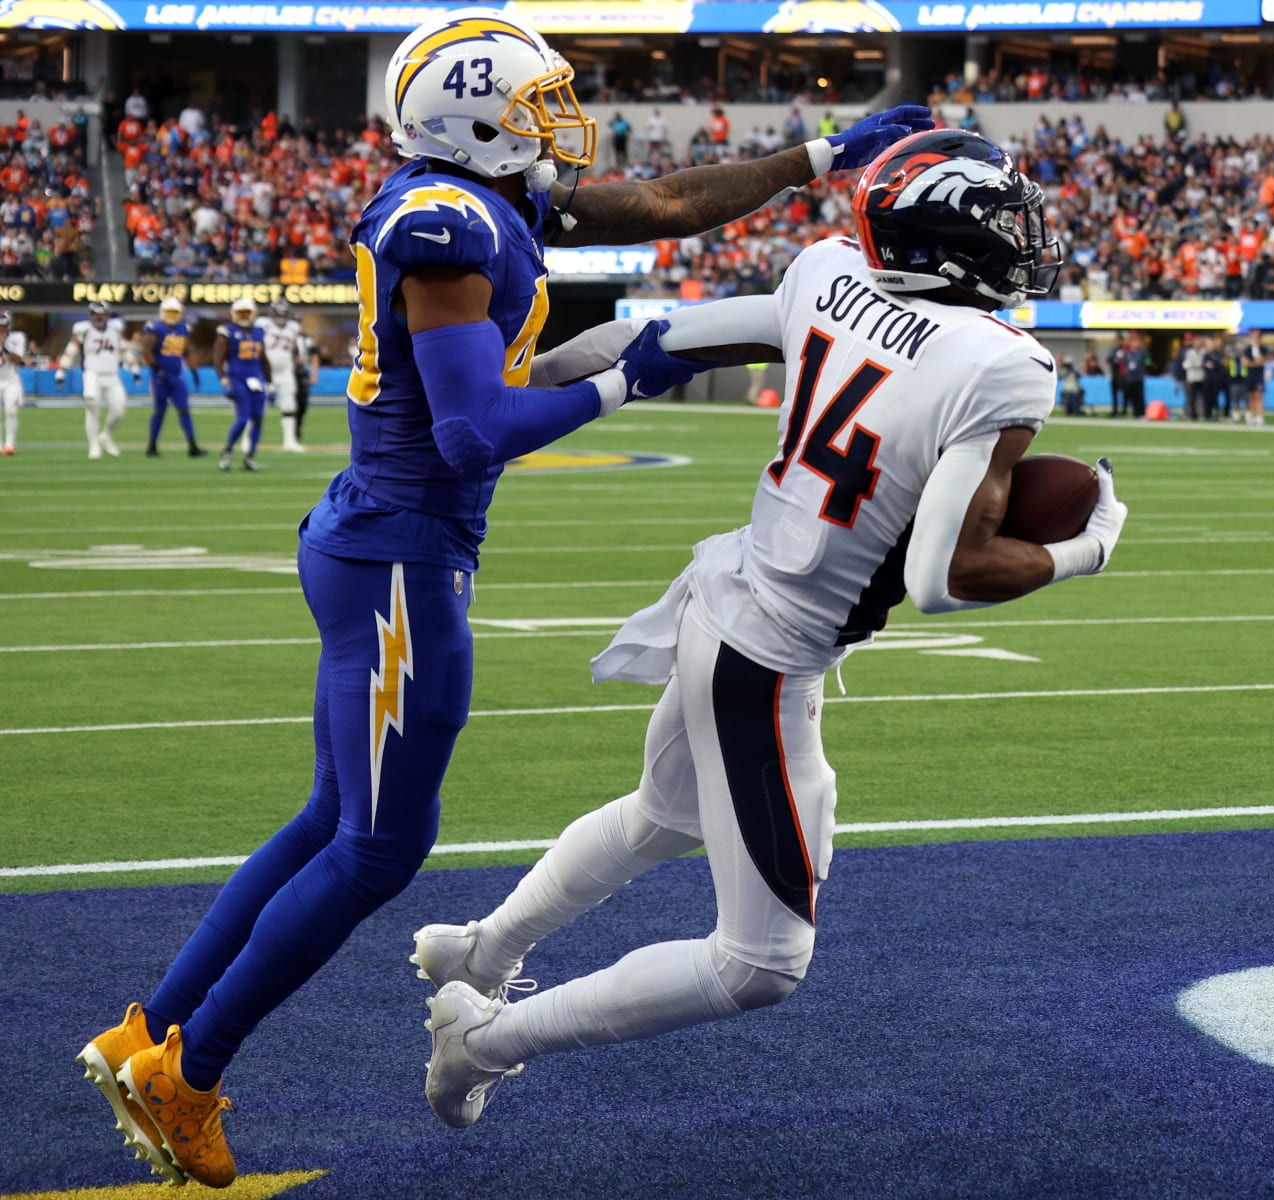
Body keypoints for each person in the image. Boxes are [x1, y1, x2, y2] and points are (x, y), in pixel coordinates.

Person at [79, 9, 932, 1188]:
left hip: (377, 540)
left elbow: (665, 204)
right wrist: (626, 379)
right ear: (471, 119)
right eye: (534, 106)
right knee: (379, 848)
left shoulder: (477, 199)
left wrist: (816, 160)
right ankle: (189, 1075)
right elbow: (474, 430)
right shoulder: (453, 224)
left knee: (331, 820)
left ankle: (150, 1031)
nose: (557, 126)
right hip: (401, 557)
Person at [408, 129, 1127, 1129]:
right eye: (1005, 224)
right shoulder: (1001, 364)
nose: (1023, 241)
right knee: (759, 963)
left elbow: (663, 337)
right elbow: (942, 577)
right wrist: (1089, 547)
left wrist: (511, 404)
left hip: (726, 598)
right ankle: (482, 1042)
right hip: (768, 656)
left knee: (661, 818)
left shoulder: (827, 272)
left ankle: (479, 952)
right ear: (952, 240)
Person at [58, 299, 135, 459]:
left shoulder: (115, 329)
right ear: (91, 315)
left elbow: (125, 349)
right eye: (95, 314)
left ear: (107, 315)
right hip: (92, 374)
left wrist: (134, 368)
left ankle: (105, 435)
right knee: (92, 409)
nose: (98, 317)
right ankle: (93, 445)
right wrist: (61, 371)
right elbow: (71, 350)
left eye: (101, 314)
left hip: (112, 375)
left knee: (119, 409)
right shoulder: (84, 330)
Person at [140, 297, 202, 458]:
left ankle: (192, 445)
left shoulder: (183, 328)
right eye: (169, 313)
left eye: (175, 313)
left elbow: (186, 351)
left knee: (184, 409)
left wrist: (194, 371)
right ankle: (152, 446)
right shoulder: (156, 328)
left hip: (176, 375)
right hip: (159, 376)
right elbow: (146, 351)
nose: (172, 316)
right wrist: (157, 368)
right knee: (160, 410)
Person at [215, 298, 269, 472]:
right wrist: (223, 378)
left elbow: (263, 358)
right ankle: (227, 451)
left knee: (258, 418)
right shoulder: (227, 331)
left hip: (257, 378)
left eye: (247, 313)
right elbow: (218, 358)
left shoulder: (259, 332)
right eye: (241, 313)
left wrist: (270, 382)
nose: (244, 316)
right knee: (244, 417)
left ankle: (250, 457)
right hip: (237, 378)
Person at [254, 299, 306, 452]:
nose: (281, 316)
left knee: (290, 405)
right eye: (278, 313)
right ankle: (250, 440)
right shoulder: (262, 324)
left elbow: (296, 348)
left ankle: (290, 441)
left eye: (284, 313)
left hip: (285, 371)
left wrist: (300, 363)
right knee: (258, 407)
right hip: (264, 371)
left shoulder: (293, 327)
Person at [0, 311, 23, 455]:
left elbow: (18, 360)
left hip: (10, 379)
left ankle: (9, 444)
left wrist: (4, 346)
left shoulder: (17, 338)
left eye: (4, 325)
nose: (1, 328)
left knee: (11, 411)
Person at [1244, 328, 1268, 427]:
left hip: (1259, 376)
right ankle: (1254, 416)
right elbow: (1245, 362)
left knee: (1259, 396)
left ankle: (1259, 417)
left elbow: (1261, 361)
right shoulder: (1247, 349)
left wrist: (1252, 363)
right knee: (1252, 396)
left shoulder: (1263, 349)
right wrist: (1254, 363)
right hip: (1250, 376)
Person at [1180, 332, 1206, 420]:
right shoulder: (1189, 352)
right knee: (1191, 398)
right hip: (1191, 378)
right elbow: (1186, 364)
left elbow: (1201, 364)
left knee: (1201, 398)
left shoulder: (1204, 352)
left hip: (1201, 377)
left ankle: (1201, 414)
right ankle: (1191, 414)